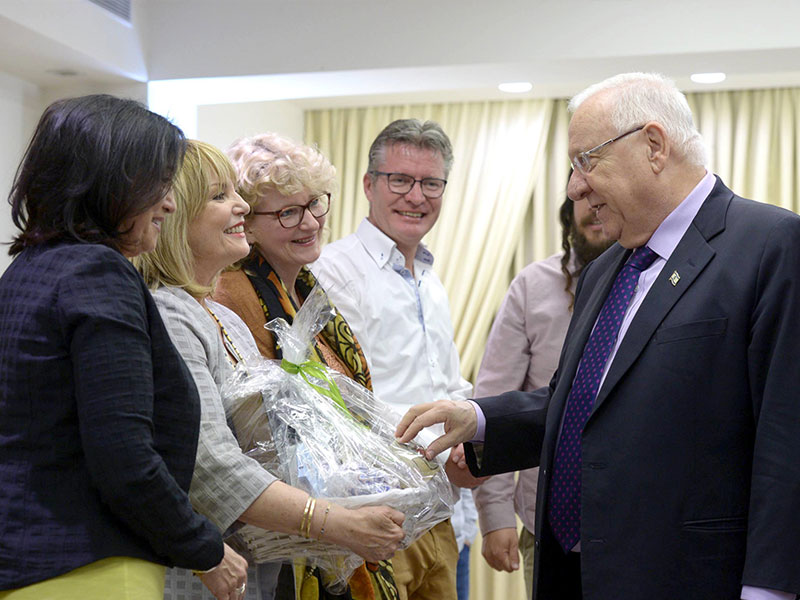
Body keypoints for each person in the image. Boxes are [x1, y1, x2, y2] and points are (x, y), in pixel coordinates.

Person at [396, 72, 800, 600]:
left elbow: (786, 441)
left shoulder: (769, 246)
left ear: (654, 145)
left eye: (587, 160)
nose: (574, 186)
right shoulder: (605, 269)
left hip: (690, 577)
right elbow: (583, 404)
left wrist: (769, 589)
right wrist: (480, 418)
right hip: (573, 573)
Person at [134, 140, 405, 600]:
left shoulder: (221, 318)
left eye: (314, 205)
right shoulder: (171, 315)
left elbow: (272, 446)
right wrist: (336, 520)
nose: (240, 204)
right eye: (220, 196)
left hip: (256, 566)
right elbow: (211, 464)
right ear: (174, 214)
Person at [0, 95, 236, 599]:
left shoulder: (28, 269)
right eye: (159, 186)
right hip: (91, 570)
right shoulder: (97, 272)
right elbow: (124, 458)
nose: (169, 203)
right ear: (111, 182)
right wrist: (202, 546)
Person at [212, 131, 400, 600]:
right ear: (246, 222)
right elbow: (258, 429)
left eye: (315, 203)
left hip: (329, 522)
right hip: (281, 543)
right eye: (287, 212)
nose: (310, 222)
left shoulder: (306, 290)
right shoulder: (233, 294)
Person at [312, 119, 477, 600]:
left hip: (444, 516)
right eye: (400, 180)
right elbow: (336, 401)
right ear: (368, 185)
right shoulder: (332, 271)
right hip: (379, 514)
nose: (416, 196)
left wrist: (472, 435)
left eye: (431, 183)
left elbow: (446, 382)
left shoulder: (430, 277)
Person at [472, 193, 611, 596]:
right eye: (584, 197)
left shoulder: (656, 284)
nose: (595, 208)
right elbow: (495, 399)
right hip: (546, 525)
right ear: (569, 212)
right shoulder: (532, 287)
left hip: (634, 528)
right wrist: (495, 514)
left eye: (604, 197)